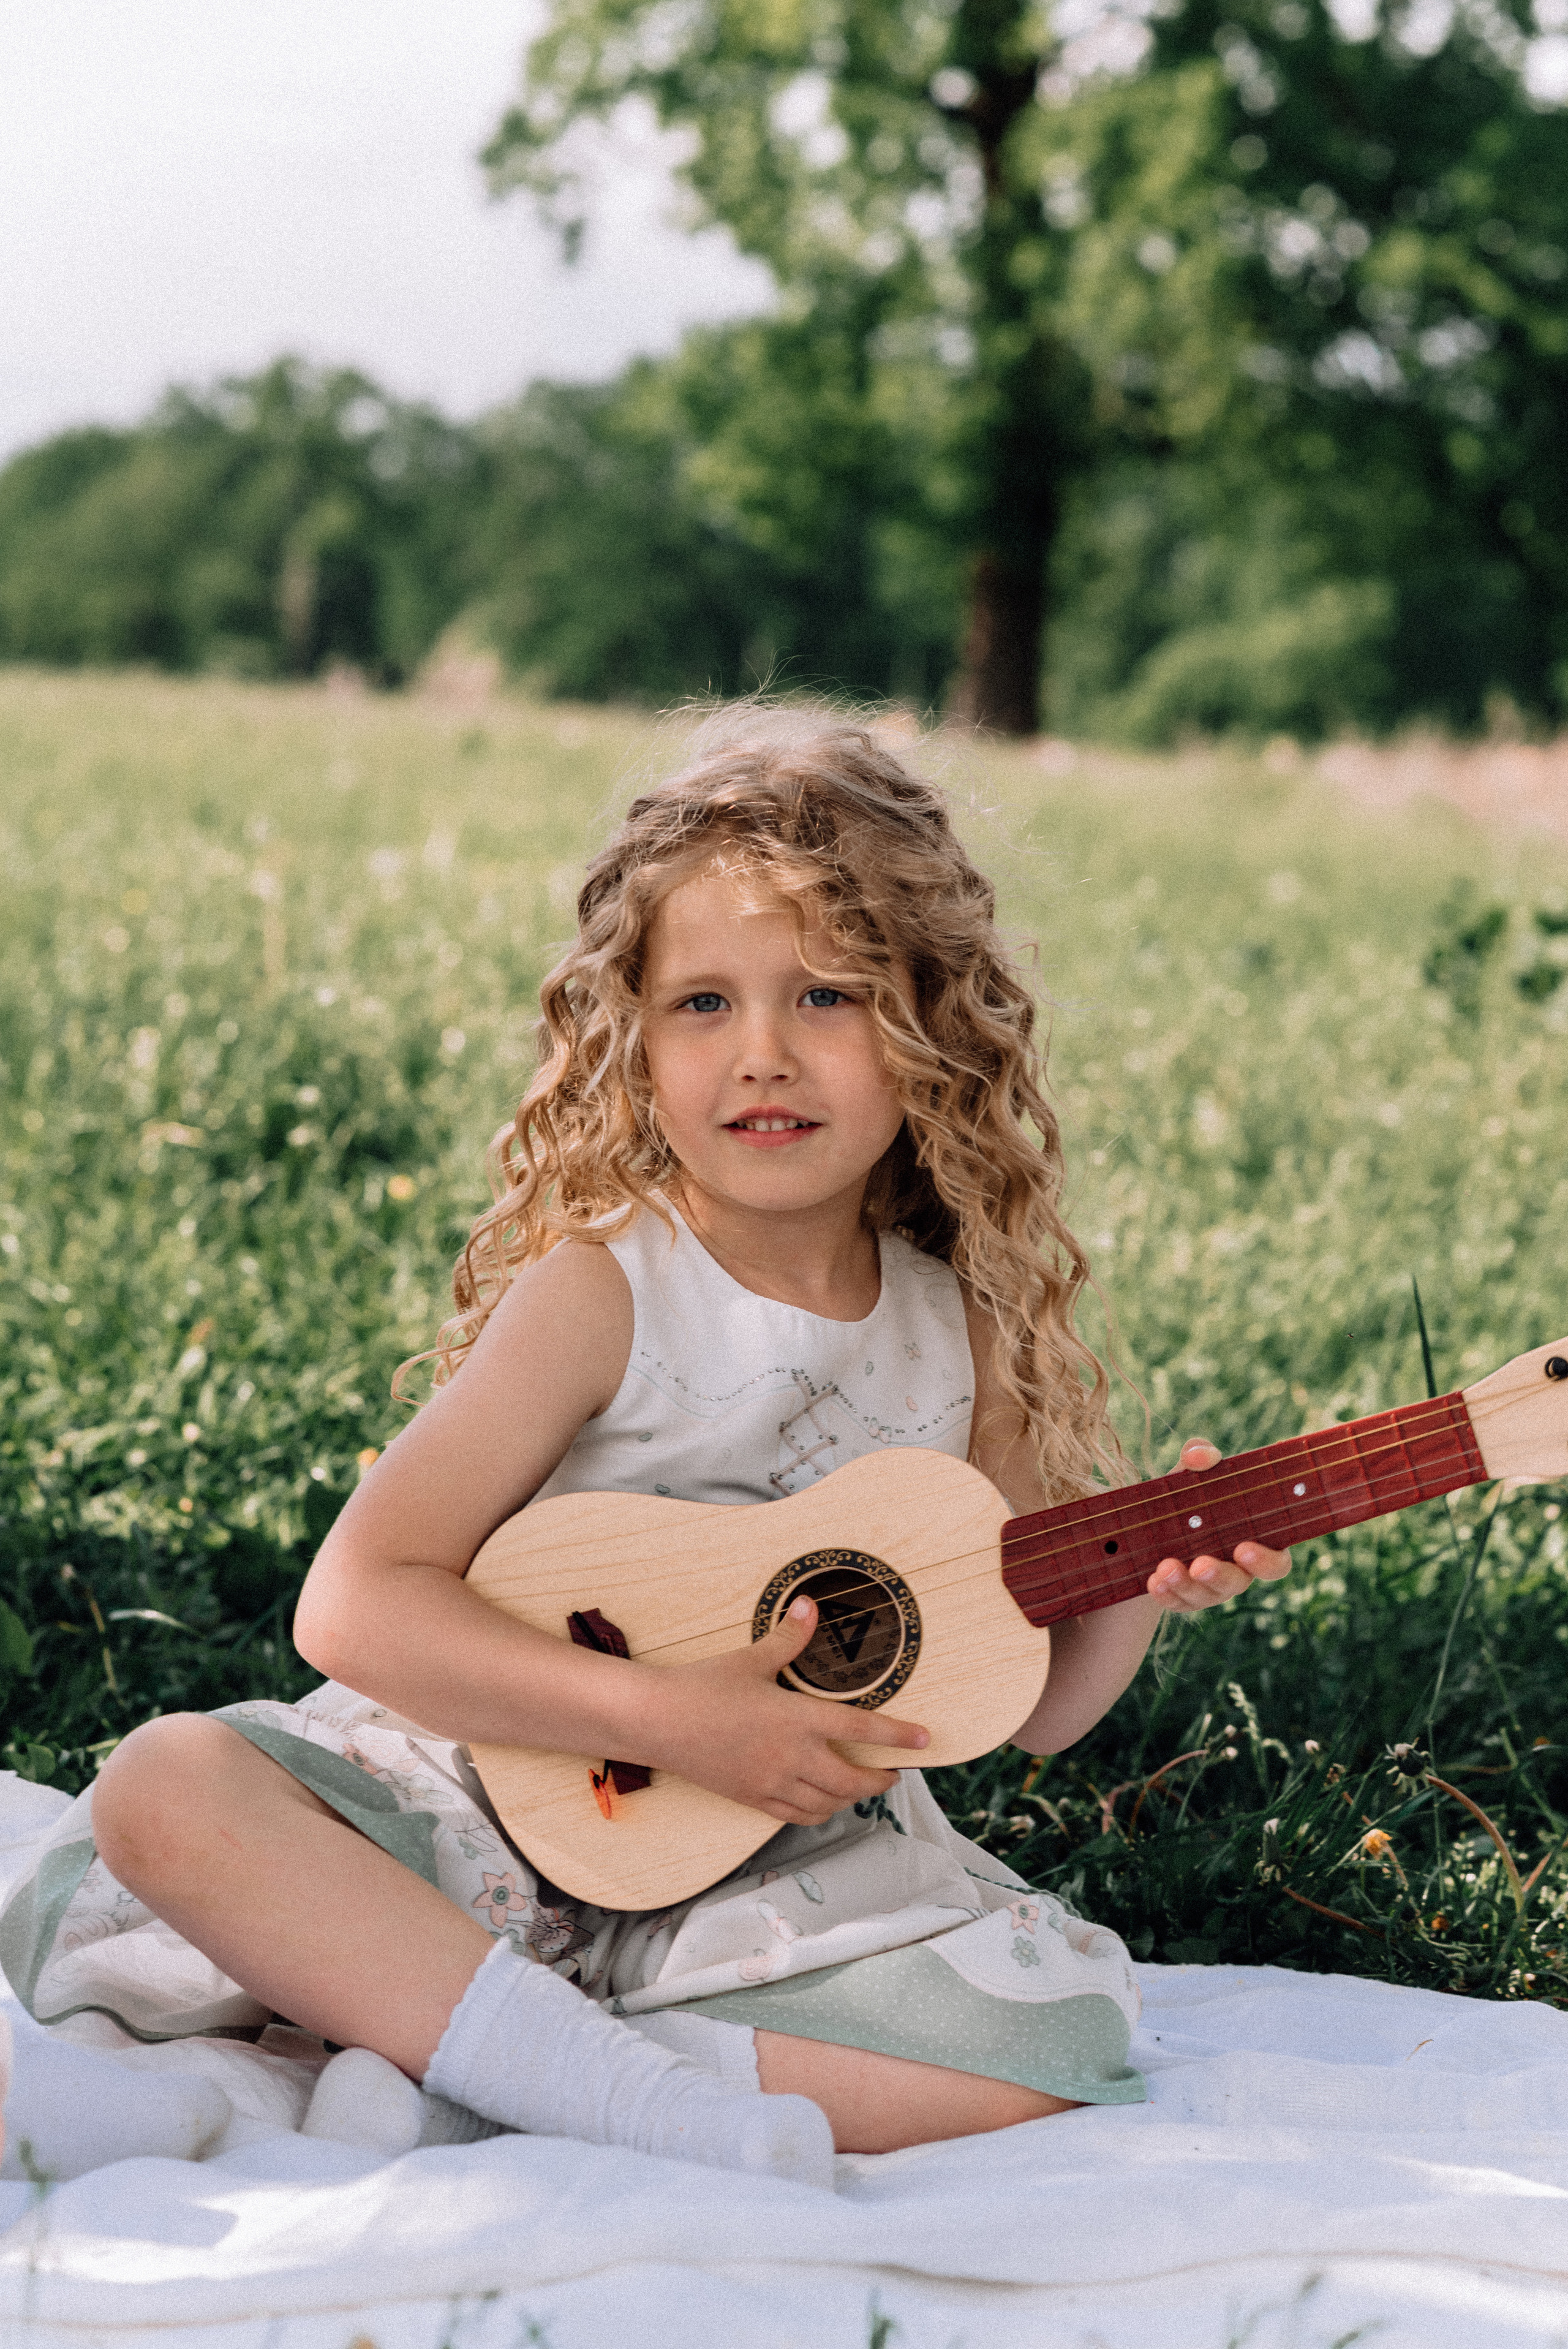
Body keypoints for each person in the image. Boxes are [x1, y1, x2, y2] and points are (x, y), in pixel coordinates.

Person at [0, 710, 1289, 2184]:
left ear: (931, 1023)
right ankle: (616, 2095)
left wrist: (1135, 1575)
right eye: (700, 1005)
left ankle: (457, 2065)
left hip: (764, 1868)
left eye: (825, 996)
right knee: (170, 1786)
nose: (762, 1056)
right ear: (629, 1034)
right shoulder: (606, 1288)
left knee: (1059, 2036)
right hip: (477, 1805)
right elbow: (353, 1604)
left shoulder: (967, 1332)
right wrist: (674, 1721)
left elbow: (1040, 1708)